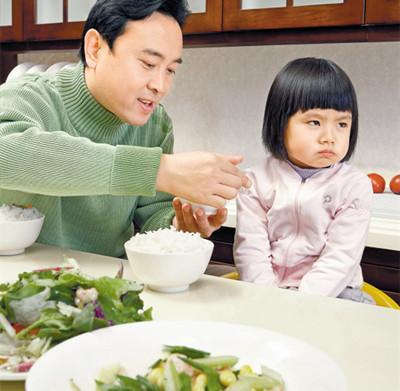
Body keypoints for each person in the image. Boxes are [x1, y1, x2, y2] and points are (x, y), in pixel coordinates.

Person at [0, 0, 250, 258]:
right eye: (148, 64)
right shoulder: (29, 97)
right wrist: (157, 170)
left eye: (171, 70)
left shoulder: (155, 126)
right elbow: (5, 153)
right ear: (95, 49)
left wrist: (178, 226)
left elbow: (153, 215)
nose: (160, 85)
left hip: (109, 287)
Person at [234, 57, 374, 303]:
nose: (329, 137)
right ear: (280, 123)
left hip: (336, 294)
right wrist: (269, 298)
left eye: (342, 124)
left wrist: (300, 303)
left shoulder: (354, 186)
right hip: (269, 292)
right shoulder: (255, 181)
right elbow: (250, 250)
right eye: (315, 122)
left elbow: (340, 258)